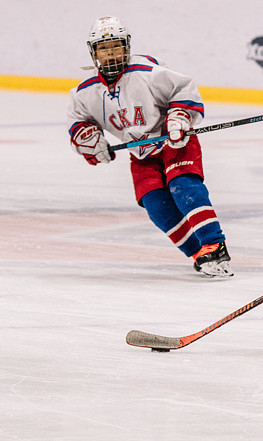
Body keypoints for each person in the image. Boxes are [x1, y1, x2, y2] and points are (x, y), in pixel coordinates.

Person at [67, 15, 232, 277]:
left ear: (127, 47)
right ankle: (200, 253)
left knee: (182, 187)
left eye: (116, 46)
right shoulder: (84, 93)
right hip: (140, 152)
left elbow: (184, 90)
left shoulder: (147, 73)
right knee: (156, 206)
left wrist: (179, 117)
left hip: (173, 139)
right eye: (104, 48)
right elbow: (79, 123)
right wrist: (92, 142)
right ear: (93, 52)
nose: (111, 54)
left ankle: (215, 243)